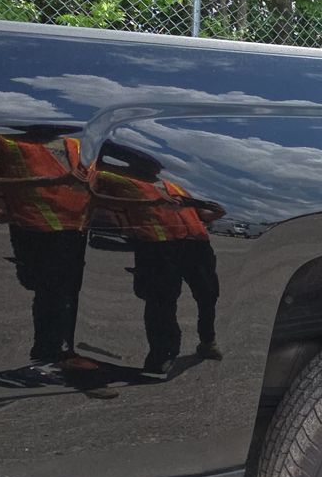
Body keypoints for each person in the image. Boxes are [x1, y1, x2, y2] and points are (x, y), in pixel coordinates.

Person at [92, 146, 224, 373]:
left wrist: (216, 213)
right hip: (156, 248)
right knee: (161, 303)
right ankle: (162, 354)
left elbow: (202, 217)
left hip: (196, 246)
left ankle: (207, 341)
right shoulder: (120, 181)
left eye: (155, 164)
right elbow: (98, 197)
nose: (154, 167)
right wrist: (151, 204)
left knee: (208, 295)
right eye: (147, 163)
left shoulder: (174, 187)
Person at [0, 129, 92, 372]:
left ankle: (65, 354)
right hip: (34, 227)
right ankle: (48, 357)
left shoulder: (75, 143)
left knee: (69, 294)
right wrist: (45, 183)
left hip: (76, 229)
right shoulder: (1, 138)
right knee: (49, 294)